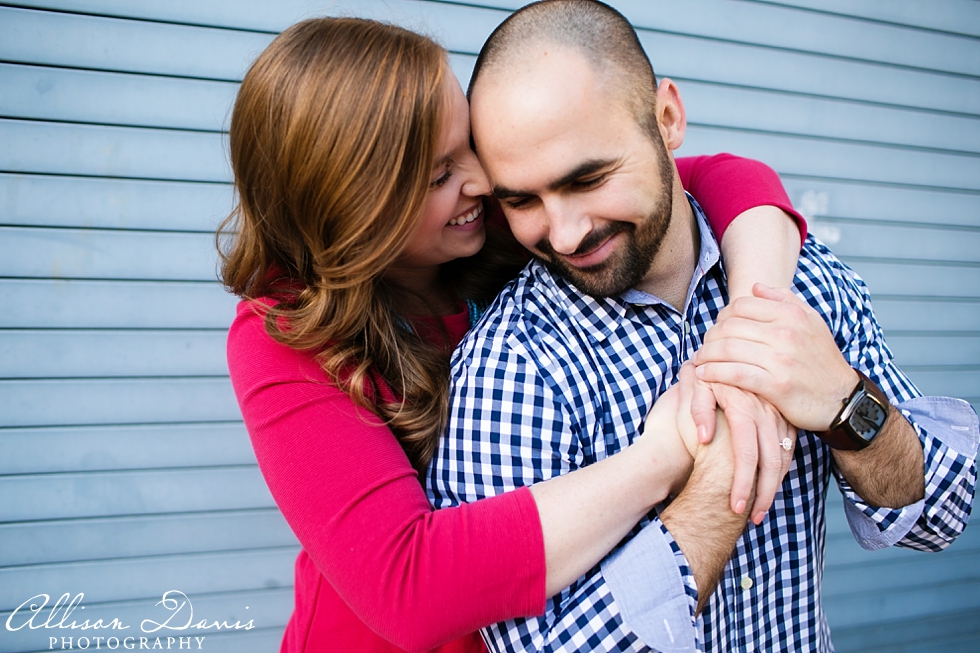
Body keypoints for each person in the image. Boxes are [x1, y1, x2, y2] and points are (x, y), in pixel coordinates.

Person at [221, 15, 815, 653]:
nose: (481, 183)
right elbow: (408, 589)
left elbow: (702, 176)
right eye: (438, 177)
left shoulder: (511, 225)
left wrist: (753, 324)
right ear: (356, 211)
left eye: (466, 146)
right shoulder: (283, 335)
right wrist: (663, 457)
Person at [426, 2, 979, 652]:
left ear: (667, 119)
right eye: (521, 199)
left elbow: (939, 516)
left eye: (590, 178)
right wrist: (715, 479)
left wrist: (843, 403)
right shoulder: (507, 371)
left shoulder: (799, 283)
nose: (566, 232)